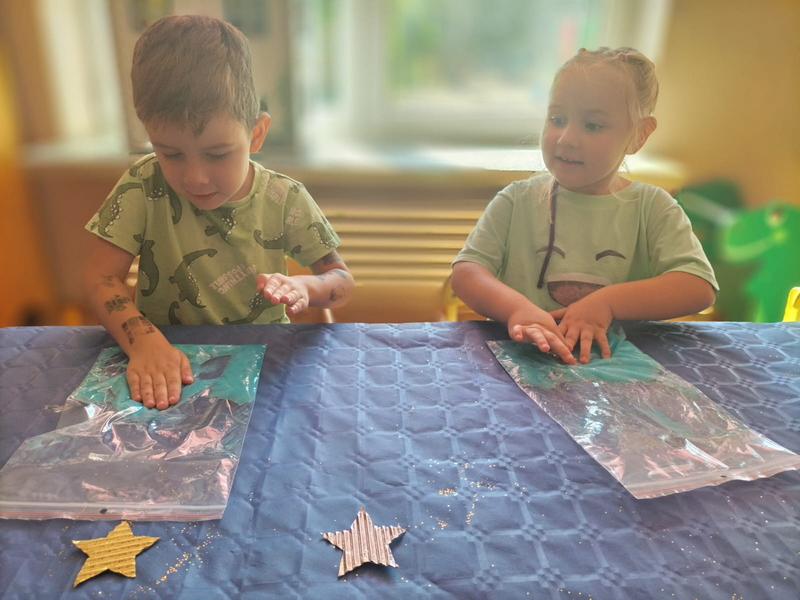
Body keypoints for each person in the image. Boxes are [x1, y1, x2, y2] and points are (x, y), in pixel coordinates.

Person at [82, 15, 354, 410]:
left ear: (256, 134)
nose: (195, 177)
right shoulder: (142, 184)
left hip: (263, 363)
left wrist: (306, 288)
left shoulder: (285, 198)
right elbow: (99, 276)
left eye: (217, 154)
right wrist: (143, 342)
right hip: (166, 360)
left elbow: (342, 281)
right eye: (170, 153)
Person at [451, 47, 717, 365]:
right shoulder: (515, 200)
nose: (566, 138)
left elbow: (698, 286)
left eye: (592, 125)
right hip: (525, 361)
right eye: (557, 119)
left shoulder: (653, 207)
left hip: (619, 367)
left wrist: (607, 303)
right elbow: (467, 273)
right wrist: (517, 309)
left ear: (639, 134)